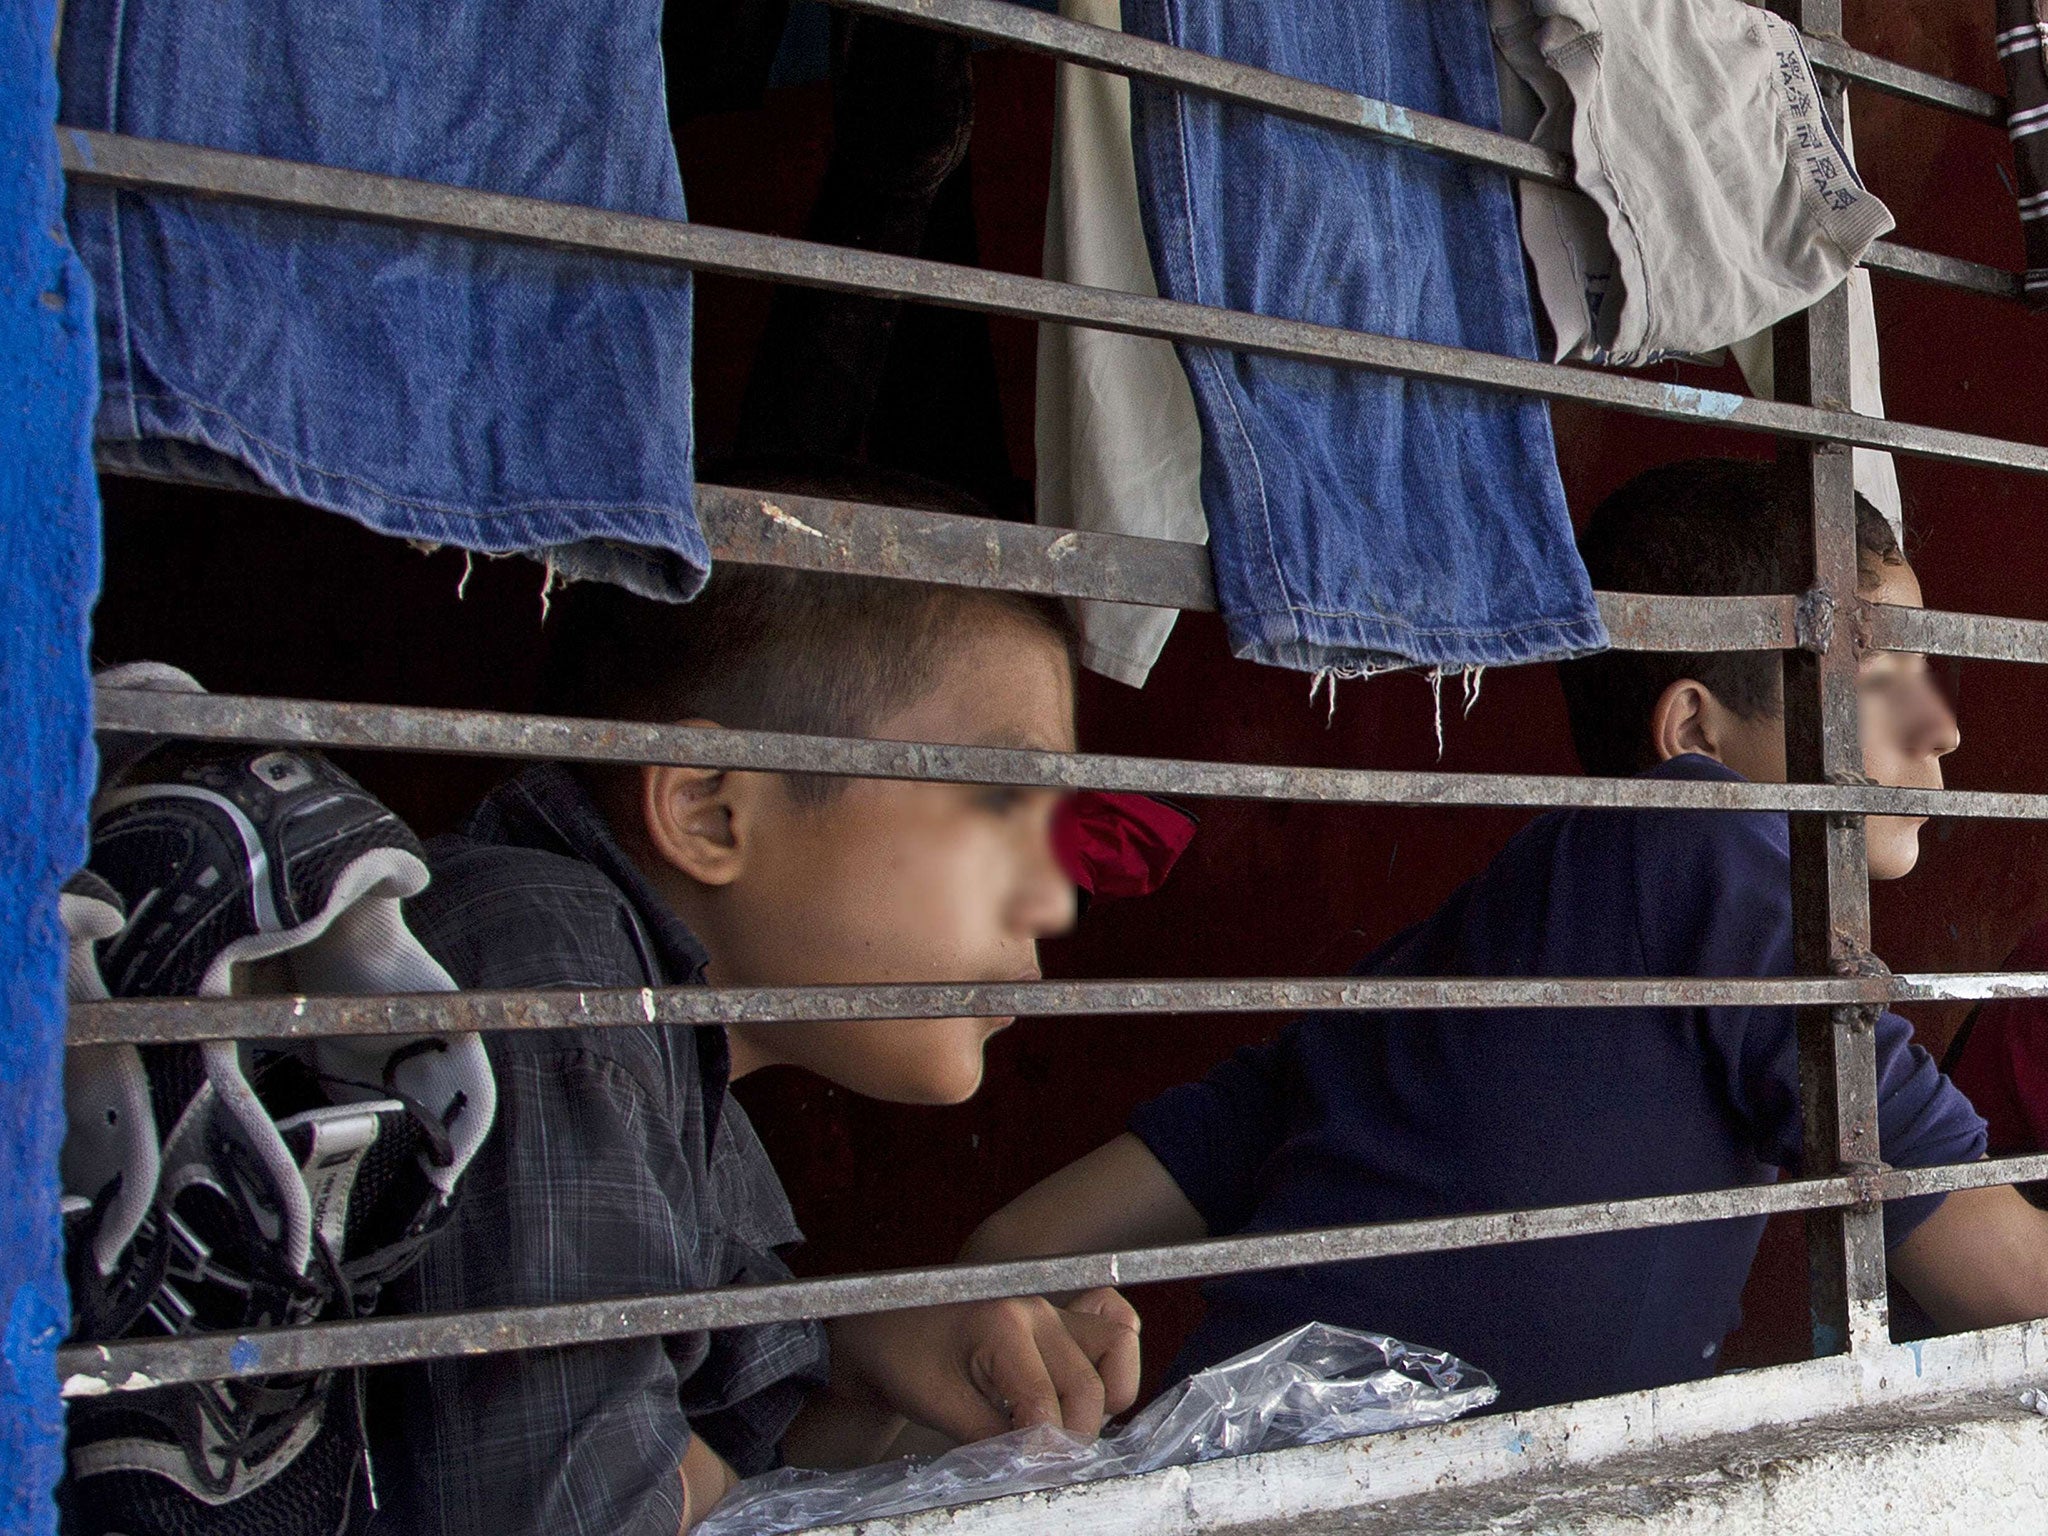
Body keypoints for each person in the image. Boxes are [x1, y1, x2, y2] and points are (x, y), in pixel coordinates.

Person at [962, 457, 2048, 1415]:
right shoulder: (1704, 843)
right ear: (1692, 743)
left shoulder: (1459, 958)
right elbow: (2012, 1288)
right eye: (1879, 677)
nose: (1940, 725)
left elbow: (1009, 1250)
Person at [366, 465, 1141, 1536]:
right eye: (998, 802)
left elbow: (722, 1438)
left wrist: (860, 1353)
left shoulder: (694, 1077)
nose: (1051, 896)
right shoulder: (548, 969)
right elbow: (579, 1509)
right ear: (712, 811)